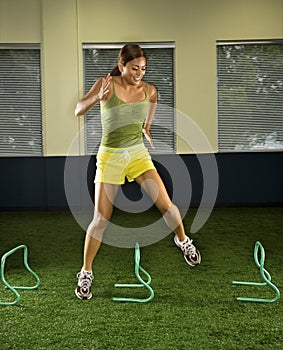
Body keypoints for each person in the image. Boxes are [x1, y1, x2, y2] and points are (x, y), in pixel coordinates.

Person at [74, 44, 201, 300]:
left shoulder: (149, 90)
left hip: (138, 154)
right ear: (122, 66)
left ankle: (183, 241)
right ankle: (85, 273)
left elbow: (152, 101)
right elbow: (78, 109)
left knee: (166, 205)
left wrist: (147, 125)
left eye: (143, 68)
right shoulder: (106, 83)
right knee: (100, 220)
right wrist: (95, 99)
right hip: (110, 156)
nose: (139, 73)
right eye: (134, 68)